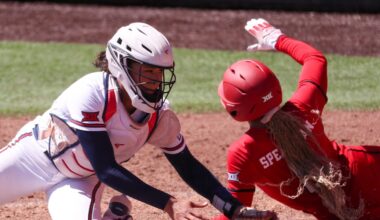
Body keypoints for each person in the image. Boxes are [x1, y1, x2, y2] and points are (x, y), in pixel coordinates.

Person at [0, 22, 277, 220]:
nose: (156, 82)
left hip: (81, 180)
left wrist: (233, 209)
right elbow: (108, 169)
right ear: (122, 66)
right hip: (34, 156)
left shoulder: (159, 117)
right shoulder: (92, 93)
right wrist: (168, 203)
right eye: (148, 72)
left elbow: (188, 166)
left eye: (160, 74)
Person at [214, 18, 380, 220]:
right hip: (368, 170)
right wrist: (275, 38)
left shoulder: (242, 153)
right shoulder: (305, 103)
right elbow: (315, 58)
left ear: (234, 110)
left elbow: (236, 211)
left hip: (335, 214)